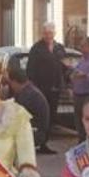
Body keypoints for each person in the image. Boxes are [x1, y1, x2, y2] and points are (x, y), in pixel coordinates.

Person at [26, 21, 66, 152]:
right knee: (41, 117)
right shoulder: (36, 48)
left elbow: (64, 66)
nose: (48, 35)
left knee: (51, 117)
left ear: (54, 33)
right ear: (42, 34)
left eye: (50, 33)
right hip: (41, 88)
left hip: (55, 88)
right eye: (45, 33)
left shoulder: (59, 48)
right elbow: (30, 69)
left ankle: (45, 143)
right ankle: (37, 143)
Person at [5, 66, 50, 154]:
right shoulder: (28, 90)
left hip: (35, 132)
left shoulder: (28, 95)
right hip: (36, 130)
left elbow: (15, 116)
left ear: (14, 82)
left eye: (10, 83)